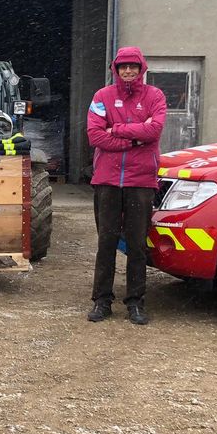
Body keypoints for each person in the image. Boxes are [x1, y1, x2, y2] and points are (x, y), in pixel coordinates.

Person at [85, 46, 166, 325]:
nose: (128, 71)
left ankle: (135, 302)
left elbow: (154, 130)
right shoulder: (102, 96)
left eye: (133, 66)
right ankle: (102, 300)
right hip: (107, 180)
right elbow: (95, 136)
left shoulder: (155, 96)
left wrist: (117, 131)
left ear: (141, 69)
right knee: (106, 243)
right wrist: (135, 139)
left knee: (137, 245)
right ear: (116, 69)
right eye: (123, 67)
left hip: (141, 181)